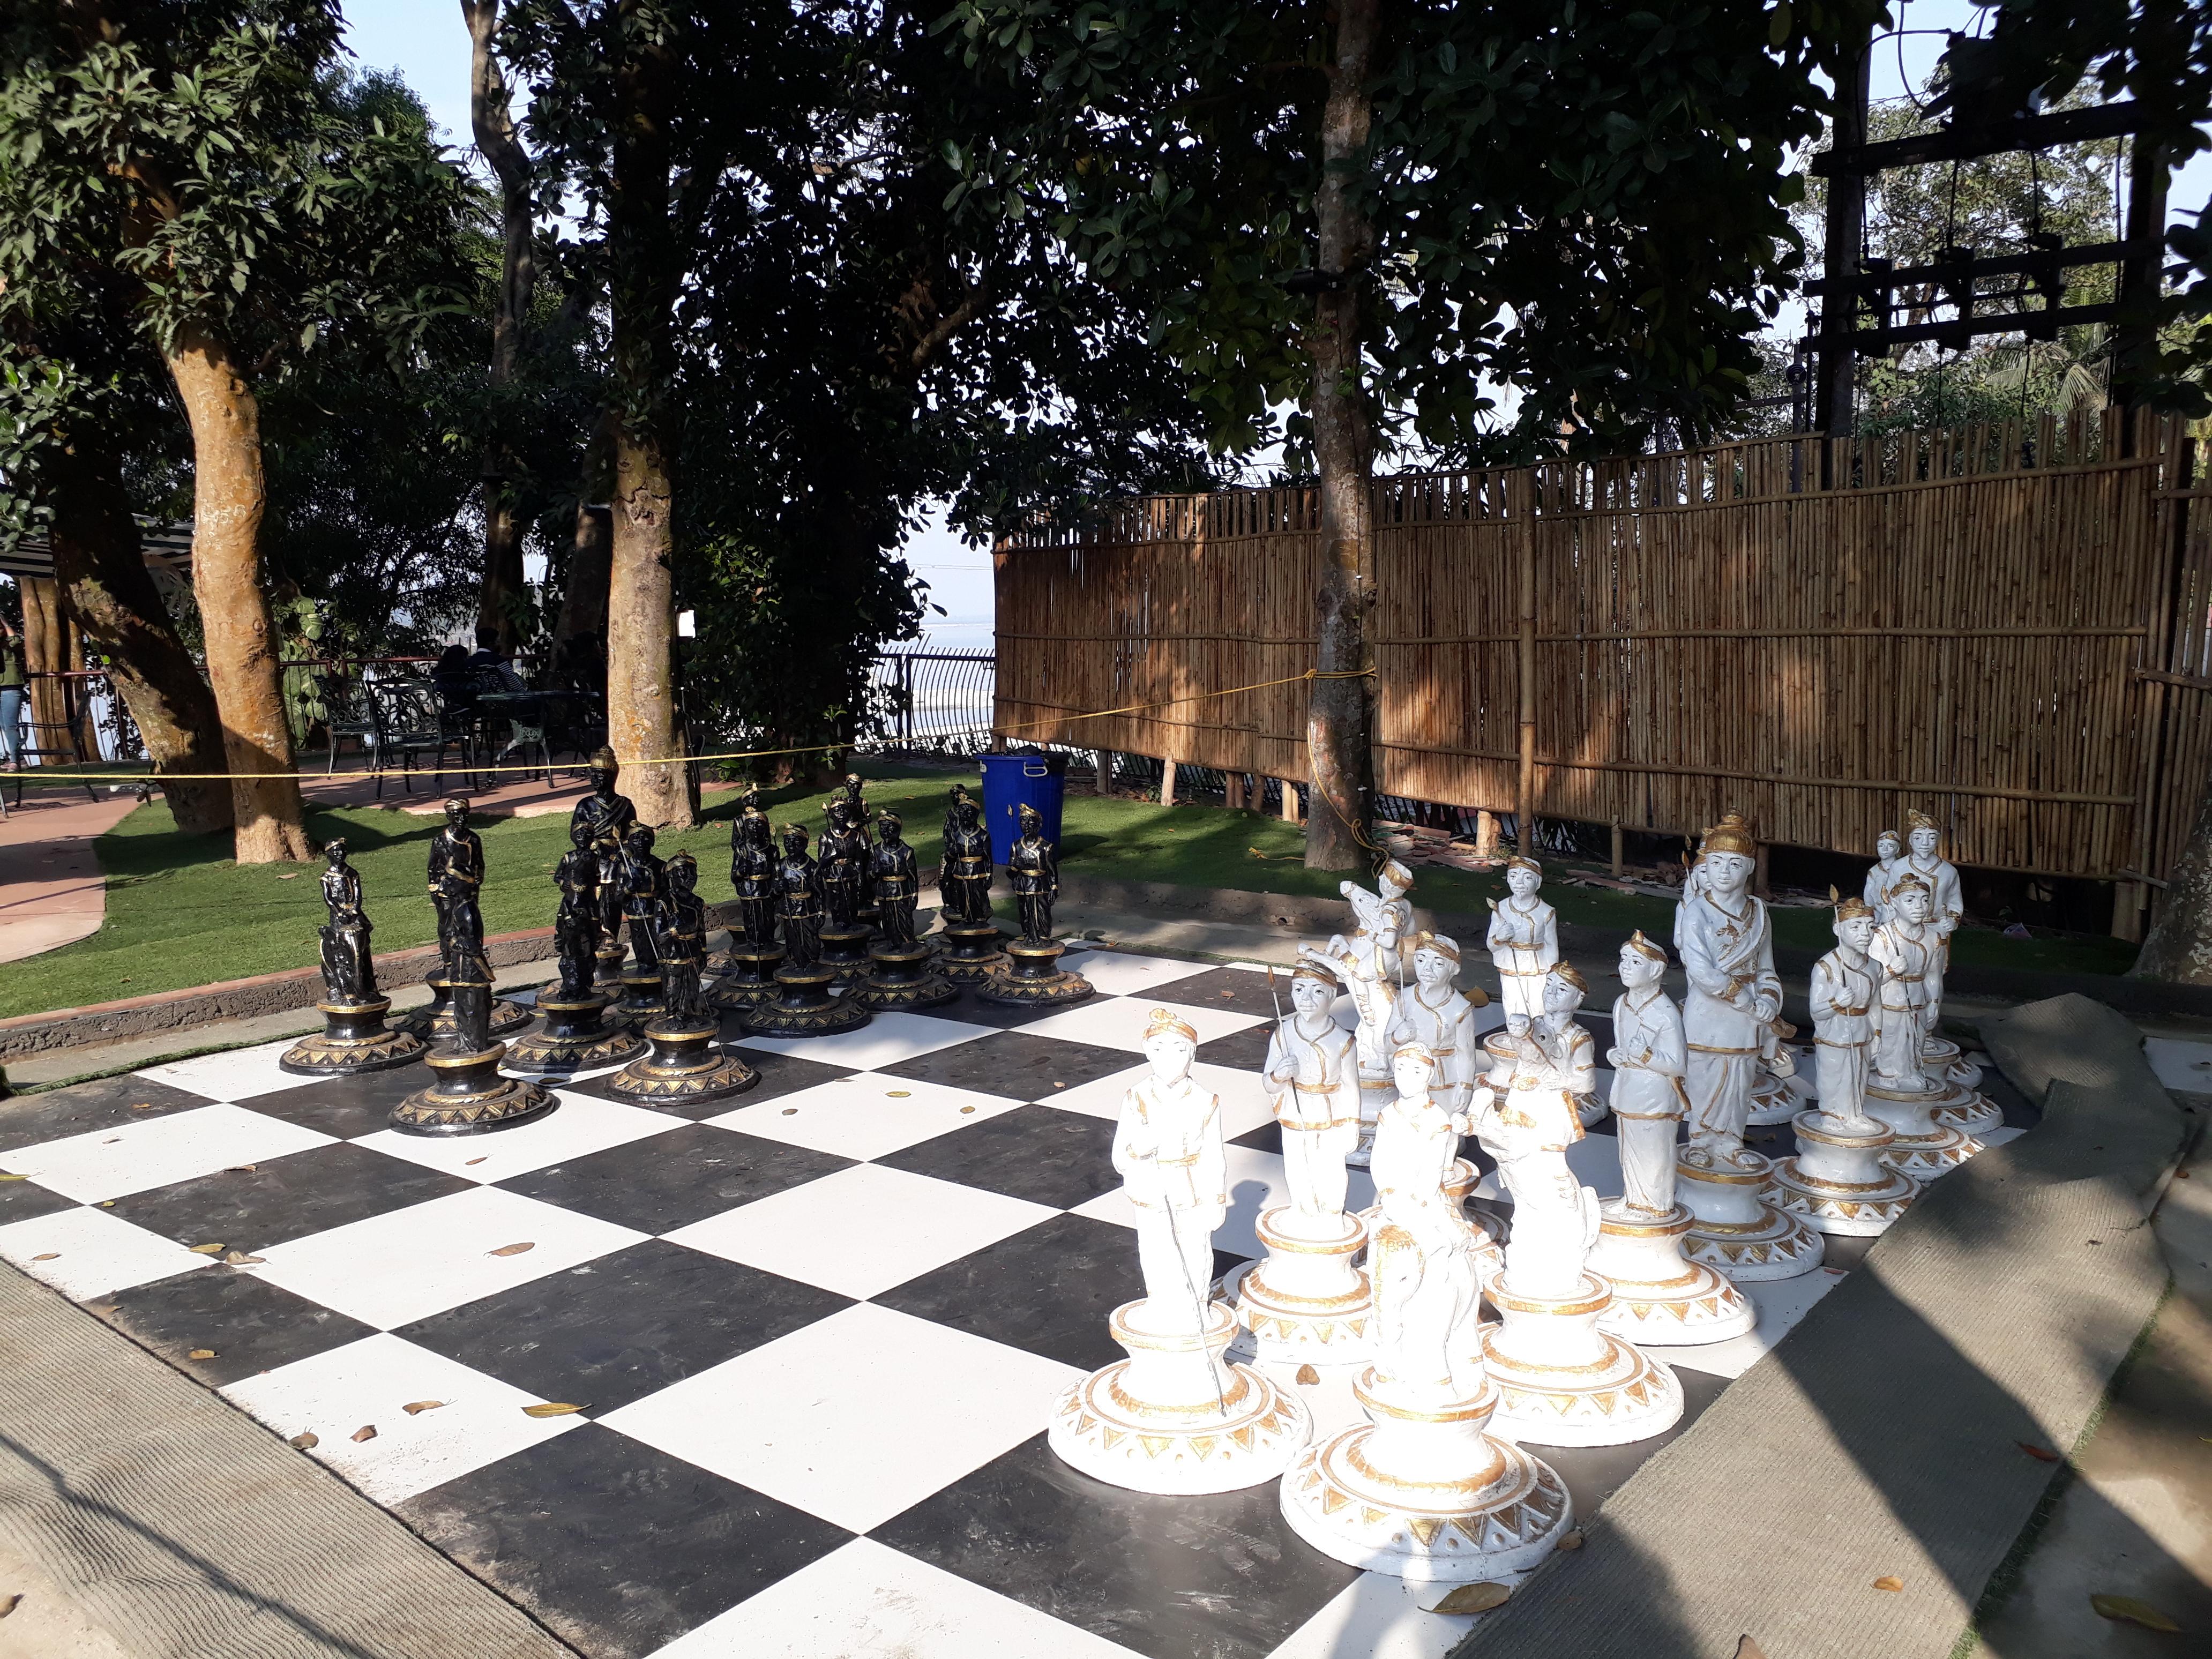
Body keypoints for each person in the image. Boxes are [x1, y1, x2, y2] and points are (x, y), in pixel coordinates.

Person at [468, 625, 527, 692]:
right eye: (498, 641)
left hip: (477, 700)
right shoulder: (498, 661)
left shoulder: (469, 663)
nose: (500, 644)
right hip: (500, 699)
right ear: (491, 644)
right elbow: (515, 685)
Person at [0, 614, 22, 772]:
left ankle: (15, 761)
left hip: (10, 687)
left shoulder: (8, 644)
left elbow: (16, 639)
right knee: (3, 725)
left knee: (10, 725)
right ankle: (19, 758)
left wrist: (5, 622)